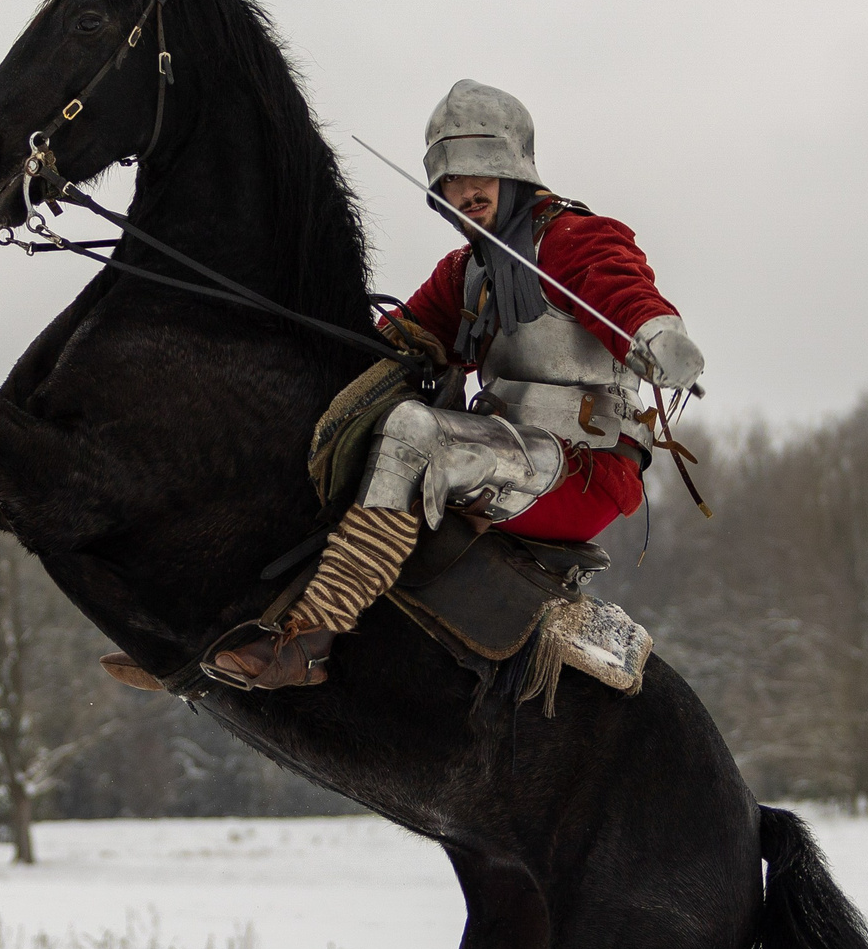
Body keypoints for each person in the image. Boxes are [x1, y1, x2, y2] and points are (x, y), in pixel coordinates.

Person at [213, 80, 704, 689]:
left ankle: (310, 644)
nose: (465, 191)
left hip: (584, 470)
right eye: (450, 178)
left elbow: (627, 294)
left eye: (481, 173)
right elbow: (385, 345)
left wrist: (660, 337)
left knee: (414, 429)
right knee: (346, 429)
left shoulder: (578, 239)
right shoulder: (464, 272)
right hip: (502, 451)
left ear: (515, 171)